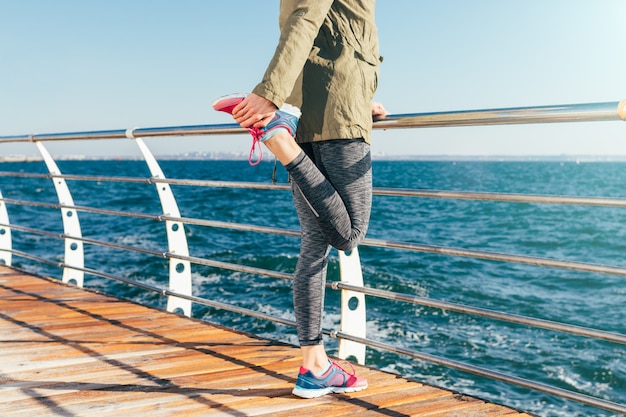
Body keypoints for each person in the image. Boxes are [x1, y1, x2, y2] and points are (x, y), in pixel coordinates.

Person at [213, 0, 387, 399]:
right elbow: (308, 23)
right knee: (348, 236)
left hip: (307, 111)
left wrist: (364, 98)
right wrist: (268, 95)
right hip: (334, 117)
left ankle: (313, 365)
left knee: (314, 245)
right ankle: (281, 145)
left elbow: (325, 32)